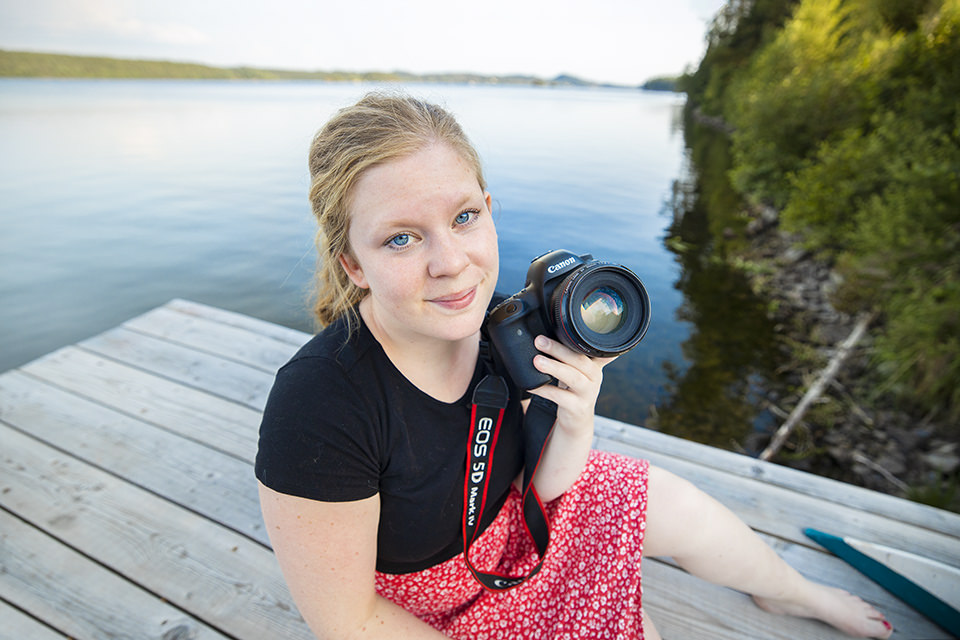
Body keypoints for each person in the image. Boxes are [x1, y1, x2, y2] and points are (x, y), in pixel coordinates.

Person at [255, 92, 893, 640]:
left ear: (487, 206)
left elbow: (544, 489)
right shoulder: (320, 405)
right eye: (401, 237)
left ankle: (790, 591)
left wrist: (574, 422)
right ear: (353, 266)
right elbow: (347, 621)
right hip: (421, 611)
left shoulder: (504, 332)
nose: (451, 262)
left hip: (515, 530)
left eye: (463, 217)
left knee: (673, 502)